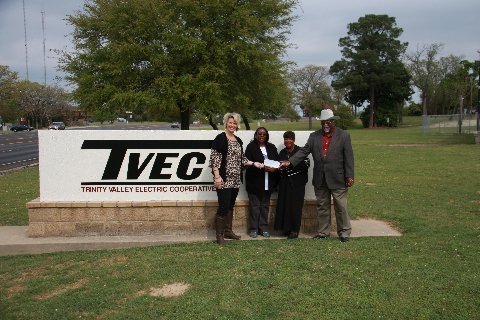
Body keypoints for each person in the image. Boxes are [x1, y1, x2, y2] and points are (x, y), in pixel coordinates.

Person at [279, 109, 354, 242]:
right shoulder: (314, 136)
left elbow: (349, 157)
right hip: (320, 178)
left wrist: (350, 175)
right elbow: (304, 151)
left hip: (338, 178)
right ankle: (323, 232)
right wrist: (290, 162)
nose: (325, 125)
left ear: (333, 122)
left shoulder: (343, 135)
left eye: (328, 122)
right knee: (322, 207)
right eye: (323, 122)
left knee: (341, 207)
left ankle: (344, 232)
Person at [209, 113, 262, 244]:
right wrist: (217, 177)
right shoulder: (220, 138)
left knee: (230, 206)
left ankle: (228, 231)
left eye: (234, 123)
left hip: (235, 179)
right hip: (223, 178)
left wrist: (254, 163)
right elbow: (214, 159)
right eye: (230, 122)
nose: (232, 125)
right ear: (226, 123)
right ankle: (219, 235)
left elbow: (242, 159)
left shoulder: (238, 141)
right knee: (223, 206)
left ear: (237, 125)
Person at [274, 131, 310, 239]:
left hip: (297, 183)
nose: (288, 141)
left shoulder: (300, 151)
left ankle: (295, 230)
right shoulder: (282, 152)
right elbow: (278, 165)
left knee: (295, 206)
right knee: (285, 205)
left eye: (290, 139)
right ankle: (286, 229)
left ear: (294, 140)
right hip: (284, 183)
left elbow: (306, 164)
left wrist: (289, 164)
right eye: (286, 139)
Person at [244, 127, 279, 238]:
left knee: (264, 206)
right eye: (259, 134)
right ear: (256, 135)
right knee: (254, 206)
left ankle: (263, 228)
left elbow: (276, 162)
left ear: (267, 135)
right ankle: (253, 229)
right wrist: (257, 165)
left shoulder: (272, 147)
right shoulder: (251, 147)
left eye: (264, 134)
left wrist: (274, 168)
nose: (262, 135)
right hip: (254, 181)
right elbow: (245, 163)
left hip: (268, 182)